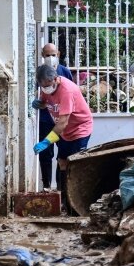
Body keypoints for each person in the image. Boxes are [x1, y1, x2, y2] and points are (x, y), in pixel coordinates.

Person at [32, 64, 93, 211]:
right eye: (42, 86)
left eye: (47, 85)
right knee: (62, 162)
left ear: (55, 79)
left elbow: (62, 123)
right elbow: (46, 102)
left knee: (75, 165)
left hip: (79, 129)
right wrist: (39, 104)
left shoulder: (67, 90)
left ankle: (77, 204)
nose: (45, 88)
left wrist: (46, 142)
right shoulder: (46, 88)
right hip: (65, 132)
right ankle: (65, 202)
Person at [37, 43, 73, 190]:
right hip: (46, 119)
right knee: (45, 154)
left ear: (58, 54)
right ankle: (46, 186)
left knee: (62, 156)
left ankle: (60, 188)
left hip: (62, 121)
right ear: (42, 55)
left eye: (53, 54)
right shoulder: (40, 72)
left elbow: (72, 94)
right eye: (47, 55)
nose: (50, 58)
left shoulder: (65, 72)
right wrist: (37, 102)